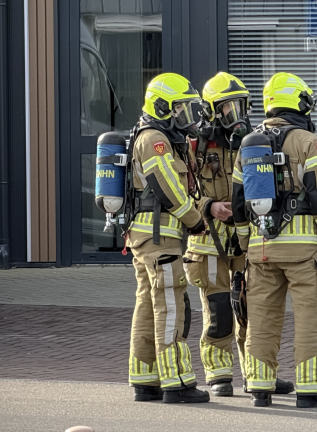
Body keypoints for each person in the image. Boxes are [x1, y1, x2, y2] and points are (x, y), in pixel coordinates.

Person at [232, 72, 317, 408]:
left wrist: (246, 245)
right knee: (310, 319)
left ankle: (259, 387)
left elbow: (239, 201)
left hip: (261, 251)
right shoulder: (306, 141)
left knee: (262, 319)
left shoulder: (249, 143)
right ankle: (312, 390)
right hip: (303, 253)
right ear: (299, 103)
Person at [184, 72, 294, 396]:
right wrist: (208, 207)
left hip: (245, 242)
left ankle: (258, 374)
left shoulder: (251, 143)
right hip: (209, 244)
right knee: (219, 311)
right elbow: (180, 190)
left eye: (240, 106)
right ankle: (219, 376)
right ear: (210, 110)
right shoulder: (195, 146)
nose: (237, 115)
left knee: (252, 310)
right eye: (228, 108)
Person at [126, 72, 209, 404]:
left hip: (149, 235)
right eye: (180, 110)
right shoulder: (154, 139)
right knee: (171, 304)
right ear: (161, 108)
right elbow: (168, 186)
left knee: (149, 304)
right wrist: (195, 219)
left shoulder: (159, 138)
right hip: (159, 238)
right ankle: (176, 383)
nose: (186, 117)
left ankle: (145, 379)